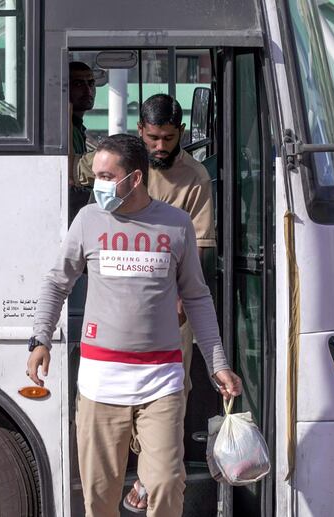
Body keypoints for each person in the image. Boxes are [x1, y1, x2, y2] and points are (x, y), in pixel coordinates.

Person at [27, 134, 242, 517]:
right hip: (100, 385)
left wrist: (218, 363)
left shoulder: (176, 225)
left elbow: (196, 296)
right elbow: (58, 281)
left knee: (163, 484)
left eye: (107, 175)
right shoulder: (88, 221)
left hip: (160, 383)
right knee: (99, 496)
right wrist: (40, 337)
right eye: (96, 175)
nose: (99, 184)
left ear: (135, 179)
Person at [124, 93, 217, 512]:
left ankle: (152, 478)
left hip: (170, 302)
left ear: (180, 132)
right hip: (123, 299)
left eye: (167, 137)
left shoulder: (194, 176)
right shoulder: (125, 163)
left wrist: (181, 298)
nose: (160, 147)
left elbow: (200, 244)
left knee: (170, 391)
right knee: (122, 390)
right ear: (140, 131)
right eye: (152, 138)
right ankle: (147, 468)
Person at [68, 61, 97, 223]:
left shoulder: (76, 127)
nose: (88, 90)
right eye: (78, 83)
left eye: (91, 83)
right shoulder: (63, 129)